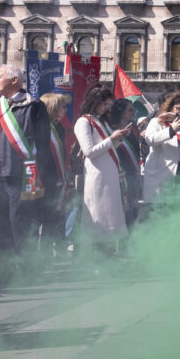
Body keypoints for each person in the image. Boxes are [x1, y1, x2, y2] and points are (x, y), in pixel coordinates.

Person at [0, 65, 53, 283]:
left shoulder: (34, 106)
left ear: (14, 80)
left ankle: (24, 272)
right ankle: (1, 271)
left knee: (20, 224)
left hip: (20, 175)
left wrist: (34, 173)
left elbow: (43, 144)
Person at [74, 85, 131, 252]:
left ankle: (109, 253)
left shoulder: (99, 121)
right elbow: (90, 151)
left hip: (110, 175)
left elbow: (106, 148)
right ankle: (98, 256)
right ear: (95, 101)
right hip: (97, 177)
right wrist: (112, 138)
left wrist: (118, 139)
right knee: (100, 216)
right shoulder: (84, 121)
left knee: (111, 217)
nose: (107, 108)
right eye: (105, 104)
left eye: (109, 104)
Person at [142, 92, 180, 203]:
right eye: (177, 108)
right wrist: (171, 129)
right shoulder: (156, 122)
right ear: (169, 107)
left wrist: (178, 117)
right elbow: (150, 139)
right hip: (161, 177)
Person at [36, 92, 72, 255]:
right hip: (43, 182)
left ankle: (45, 256)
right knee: (40, 220)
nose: (65, 109)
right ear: (52, 108)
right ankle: (37, 258)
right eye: (62, 106)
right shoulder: (40, 128)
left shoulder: (57, 127)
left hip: (54, 181)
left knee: (51, 221)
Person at [107, 98, 143, 228]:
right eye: (130, 109)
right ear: (121, 112)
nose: (133, 112)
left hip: (132, 174)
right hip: (117, 175)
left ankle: (129, 242)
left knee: (132, 209)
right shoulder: (110, 129)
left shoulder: (133, 128)